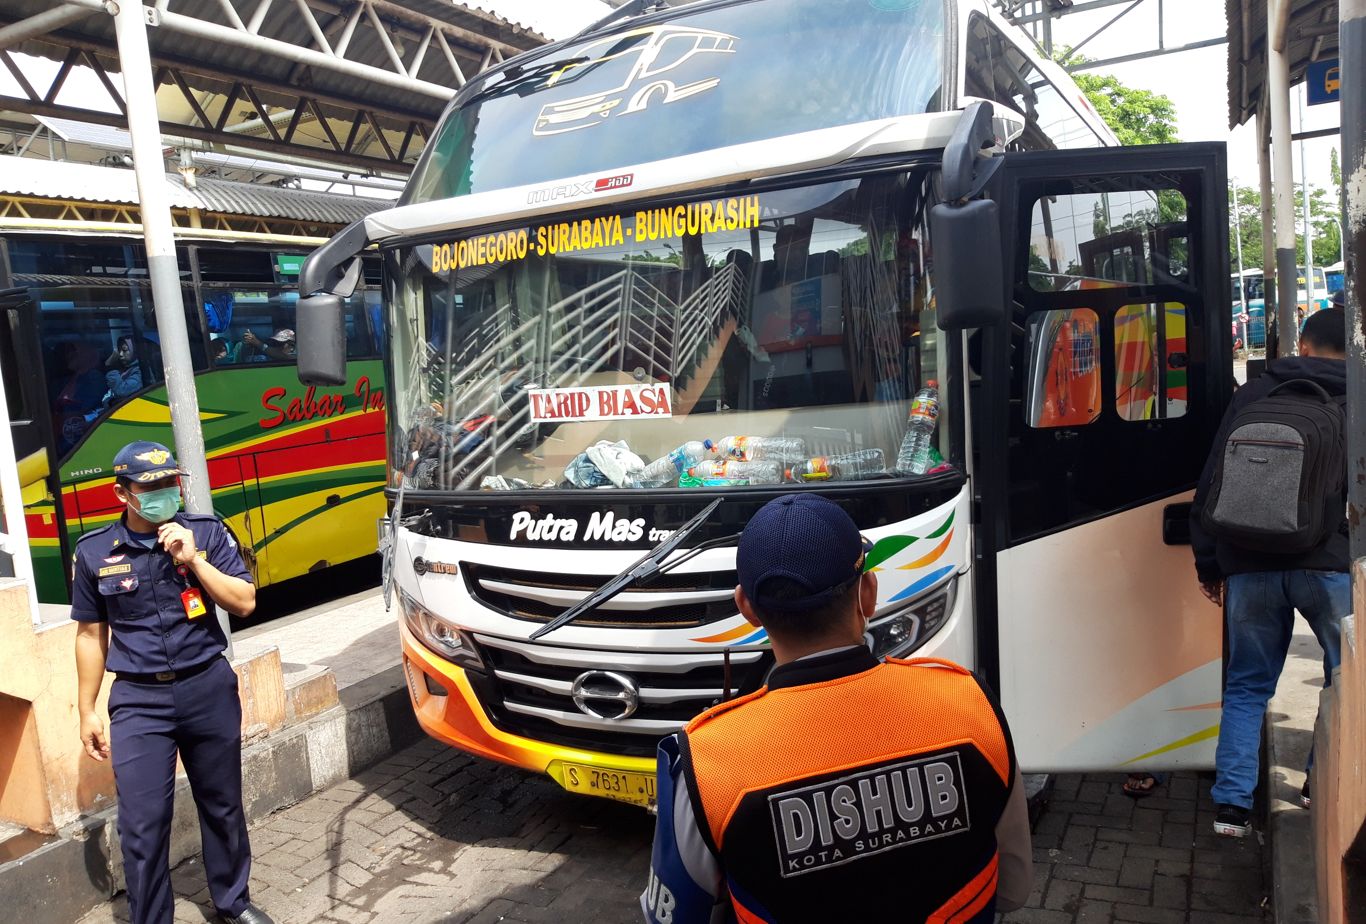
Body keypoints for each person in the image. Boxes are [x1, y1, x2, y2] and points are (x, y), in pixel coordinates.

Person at [641, 494, 1032, 923]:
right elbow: (1012, 889)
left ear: (747, 608)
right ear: (868, 594)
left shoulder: (706, 762)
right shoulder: (968, 704)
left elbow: (676, 916)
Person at [72, 441, 272, 924]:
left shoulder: (204, 531)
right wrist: (86, 708)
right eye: (151, 486)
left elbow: (243, 601)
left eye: (170, 483)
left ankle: (232, 903)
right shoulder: (95, 551)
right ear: (123, 493)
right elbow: (90, 634)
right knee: (142, 824)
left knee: (222, 804)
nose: (165, 493)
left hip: (207, 686)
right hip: (140, 700)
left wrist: (195, 559)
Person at [1190, 307, 1349, 838]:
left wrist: (1209, 563)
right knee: (1342, 681)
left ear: (1302, 344)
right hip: (1330, 567)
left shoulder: (1253, 394)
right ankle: (1316, 784)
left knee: (1246, 686)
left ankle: (1232, 806)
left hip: (1249, 564)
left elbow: (1212, 481)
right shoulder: (1362, 397)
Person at [105, 335, 144, 402]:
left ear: (134, 351)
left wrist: (111, 368)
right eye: (119, 350)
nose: (120, 354)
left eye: (124, 350)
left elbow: (121, 391)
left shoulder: (140, 372)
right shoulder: (124, 369)